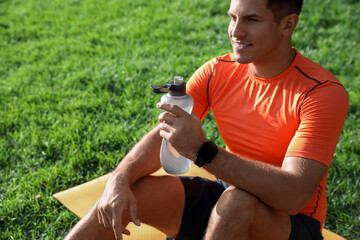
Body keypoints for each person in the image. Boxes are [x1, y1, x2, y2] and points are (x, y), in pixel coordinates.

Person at [65, 0, 348, 239]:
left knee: (238, 204)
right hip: (228, 192)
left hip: (290, 221)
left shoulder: (321, 93)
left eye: (251, 19)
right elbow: (165, 133)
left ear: (288, 25)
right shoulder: (216, 71)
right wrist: (119, 178)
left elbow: (294, 195)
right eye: (233, 18)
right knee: (136, 189)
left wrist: (202, 151)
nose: (236, 31)